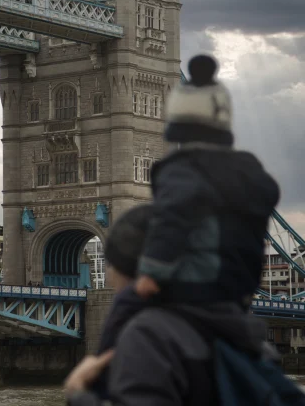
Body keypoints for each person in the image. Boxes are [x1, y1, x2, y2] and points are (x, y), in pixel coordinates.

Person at [64, 204, 287, 405]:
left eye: (110, 263)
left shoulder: (147, 337)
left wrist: (79, 395)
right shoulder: (249, 339)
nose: (108, 275)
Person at [136, 55, 280, 309]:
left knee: (130, 305)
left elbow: (171, 220)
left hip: (197, 286)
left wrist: (151, 272)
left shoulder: (181, 170)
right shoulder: (250, 171)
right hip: (242, 288)